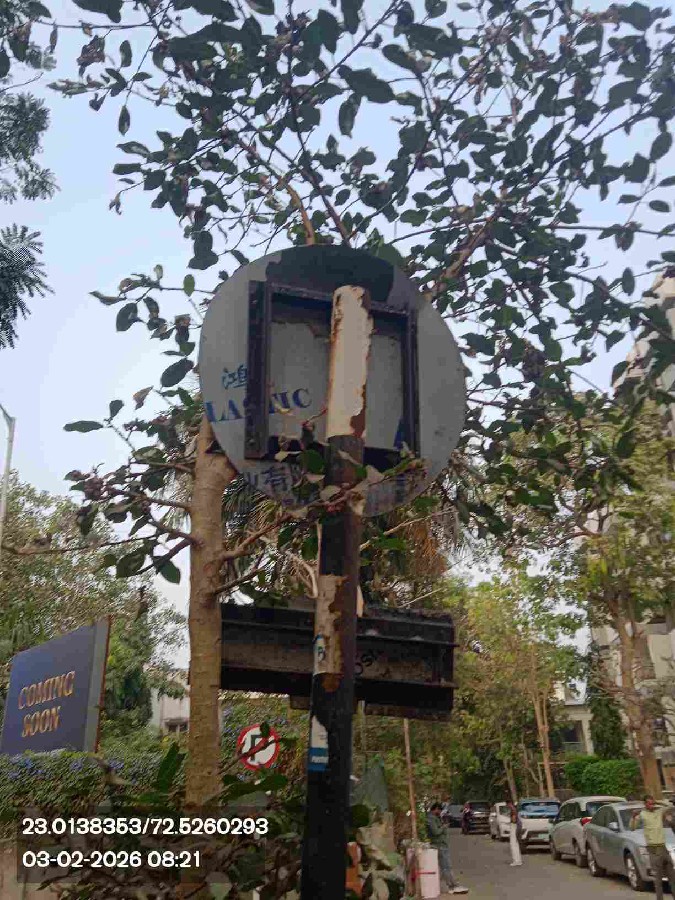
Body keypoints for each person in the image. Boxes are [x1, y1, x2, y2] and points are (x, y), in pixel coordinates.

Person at [630, 795, 675, 900]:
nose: (652, 805)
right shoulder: (642, 814)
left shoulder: (659, 812)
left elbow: (669, 806)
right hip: (653, 850)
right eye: (649, 804)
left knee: (672, 878)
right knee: (658, 880)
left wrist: (658, 802)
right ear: (645, 804)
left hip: (663, 848)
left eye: (653, 803)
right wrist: (633, 817)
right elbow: (632, 828)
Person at [426, 802, 469, 895]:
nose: (440, 812)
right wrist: (443, 827)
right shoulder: (431, 819)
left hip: (442, 844)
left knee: (445, 867)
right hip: (439, 845)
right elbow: (436, 832)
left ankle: (451, 885)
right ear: (436, 809)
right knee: (447, 867)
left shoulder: (435, 818)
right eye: (439, 810)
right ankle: (453, 886)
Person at [506, 799, 522, 867]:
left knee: (513, 844)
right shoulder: (515, 809)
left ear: (509, 803)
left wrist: (511, 822)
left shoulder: (513, 810)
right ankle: (518, 860)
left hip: (514, 826)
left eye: (507, 804)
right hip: (516, 826)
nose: (507, 806)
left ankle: (515, 861)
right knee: (516, 844)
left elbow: (514, 819)